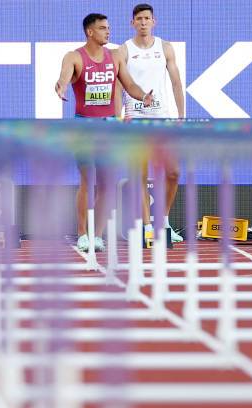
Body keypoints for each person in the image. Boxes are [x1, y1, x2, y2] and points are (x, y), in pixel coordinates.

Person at [55, 13, 153, 251]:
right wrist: (61, 85)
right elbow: (65, 76)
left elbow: (129, 84)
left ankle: (97, 235)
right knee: (87, 180)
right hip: (84, 127)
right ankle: (81, 234)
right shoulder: (74, 56)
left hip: (109, 126)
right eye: (102, 28)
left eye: (108, 28)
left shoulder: (115, 57)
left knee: (107, 184)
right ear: (90, 32)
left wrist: (143, 96)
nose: (108, 32)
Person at [116, 3, 185, 243]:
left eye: (147, 18)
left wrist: (180, 115)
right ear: (132, 22)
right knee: (140, 175)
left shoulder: (165, 48)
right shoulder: (123, 50)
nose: (143, 22)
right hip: (136, 119)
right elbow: (118, 87)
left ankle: (163, 222)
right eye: (139, 19)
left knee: (174, 172)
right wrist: (119, 116)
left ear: (154, 21)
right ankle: (147, 227)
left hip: (163, 118)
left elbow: (176, 83)